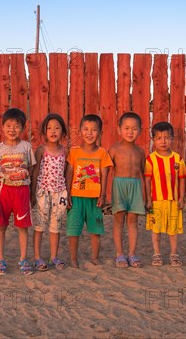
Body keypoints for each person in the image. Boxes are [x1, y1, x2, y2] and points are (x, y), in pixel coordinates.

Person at [66, 114, 113, 268]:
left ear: (100, 133)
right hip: (76, 196)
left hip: (94, 198)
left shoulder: (102, 153)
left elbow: (105, 175)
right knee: (74, 229)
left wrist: (103, 195)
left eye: (94, 130)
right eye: (86, 129)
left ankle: (95, 257)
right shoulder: (74, 152)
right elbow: (69, 174)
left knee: (96, 229)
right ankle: (73, 259)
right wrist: (67, 194)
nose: (89, 133)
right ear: (80, 131)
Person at [0, 108, 36, 276]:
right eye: (9, 125)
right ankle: (0, 259)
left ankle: (24, 259)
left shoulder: (26, 147)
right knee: (1, 226)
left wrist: (31, 192)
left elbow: (32, 169)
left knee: (22, 227)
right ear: (2, 127)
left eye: (17, 126)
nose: (12, 130)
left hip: (22, 191)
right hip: (4, 192)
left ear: (23, 128)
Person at [144, 122, 186, 267]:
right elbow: (147, 180)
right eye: (159, 138)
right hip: (156, 201)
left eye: (167, 138)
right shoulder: (150, 159)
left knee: (172, 229)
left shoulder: (178, 159)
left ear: (172, 139)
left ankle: (174, 254)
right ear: (153, 140)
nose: (163, 141)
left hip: (173, 201)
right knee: (156, 230)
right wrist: (148, 199)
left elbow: (182, 180)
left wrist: (181, 197)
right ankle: (156, 254)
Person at [30, 113, 69, 271]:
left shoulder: (65, 151)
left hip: (59, 193)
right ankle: (37, 257)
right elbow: (34, 172)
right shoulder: (41, 150)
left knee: (55, 226)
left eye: (57, 128)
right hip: (42, 192)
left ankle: (54, 256)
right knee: (39, 226)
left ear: (63, 132)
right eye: (49, 128)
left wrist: (68, 194)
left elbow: (66, 173)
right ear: (44, 132)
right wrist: (32, 192)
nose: (53, 131)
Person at [108, 112, 146, 268]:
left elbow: (144, 174)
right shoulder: (114, 149)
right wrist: (104, 193)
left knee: (133, 221)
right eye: (126, 128)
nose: (130, 132)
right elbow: (105, 172)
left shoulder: (140, 152)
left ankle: (132, 253)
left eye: (134, 129)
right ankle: (120, 254)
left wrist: (147, 197)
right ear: (119, 130)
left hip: (135, 187)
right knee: (118, 221)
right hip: (119, 186)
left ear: (140, 131)